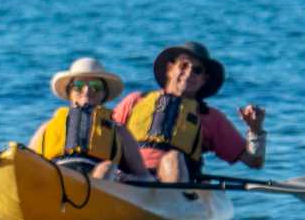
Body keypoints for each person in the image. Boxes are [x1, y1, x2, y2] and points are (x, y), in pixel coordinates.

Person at [111, 42, 268, 183]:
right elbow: (107, 136)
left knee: (173, 158)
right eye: (184, 65)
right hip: (128, 177)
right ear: (170, 69)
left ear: (204, 79)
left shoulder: (210, 117)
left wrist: (256, 129)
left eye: (197, 70)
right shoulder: (135, 100)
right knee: (105, 166)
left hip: (171, 184)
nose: (189, 72)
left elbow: (254, 161)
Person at [27, 57, 151, 180]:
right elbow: (27, 165)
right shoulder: (46, 128)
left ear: (104, 94)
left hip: (98, 185)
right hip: (55, 181)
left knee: (106, 167)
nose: (86, 91)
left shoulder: (118, 131)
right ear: (69, 92)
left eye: (95, 86)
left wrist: (126, 178)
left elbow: (145, 177)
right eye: (79, 85)